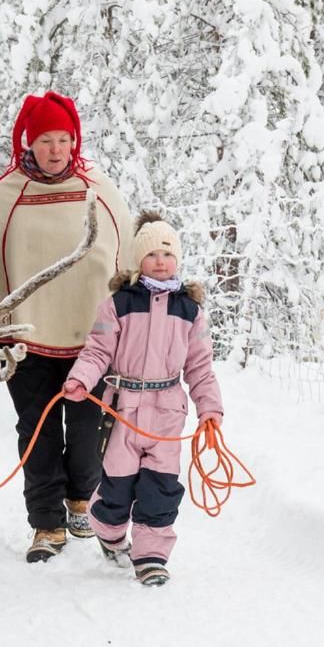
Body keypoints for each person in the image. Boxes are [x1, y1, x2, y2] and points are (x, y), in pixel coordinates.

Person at [0, 90, 134, 563]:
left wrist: (137, 316)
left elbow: (127, 253)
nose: (56, 149)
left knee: (85, 428)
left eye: (63, 140)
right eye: (46, 141)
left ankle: (80, 497)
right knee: (36, 431)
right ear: (28, 144)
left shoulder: (100, 187)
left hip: (90, 339)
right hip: (28, 339)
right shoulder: (7, 194)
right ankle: (46, 524)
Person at [61, 213, 224, 586]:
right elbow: (97, 351)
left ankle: (151, 555)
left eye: (168, 253)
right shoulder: (118, 304)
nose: (161, 261)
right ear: (138, 261)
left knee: (161, 486)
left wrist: (209, 409)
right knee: (117, 486)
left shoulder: (190, 311)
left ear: (178, 259)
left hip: (168, 410)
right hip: (124, 409)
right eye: (152, 254)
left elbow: (200, 366)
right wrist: (80, 379)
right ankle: (111, 533)